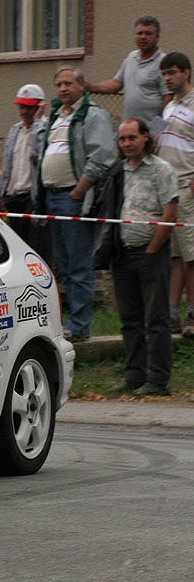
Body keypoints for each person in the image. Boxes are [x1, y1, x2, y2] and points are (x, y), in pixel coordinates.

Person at [36, 64, 117, 343]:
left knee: (79, 265)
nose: (63, 89)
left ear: (82, 86)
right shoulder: (56, 116)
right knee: (63, 264)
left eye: (68, 83)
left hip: (73, 199)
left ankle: (80, 326)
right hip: (52, 197)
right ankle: (68, 323)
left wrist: (80, 190)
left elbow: (103, 157)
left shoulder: (93, 115)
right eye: (59, 84)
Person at [110, 117, 178, 396]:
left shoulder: (161, 170)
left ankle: (158, 379)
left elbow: (170, 213)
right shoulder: (118, 171)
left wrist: (152, 251)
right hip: (123, 254)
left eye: (132, 138)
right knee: (130, 319)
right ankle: (134, 375)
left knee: (156, 319)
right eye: (122, 139)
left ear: (146, 137)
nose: (127, 143)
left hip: (152, 253)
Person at [157, 52, 194, 338]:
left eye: (172, 72)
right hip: (167, 189)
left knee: (191, 256)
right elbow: (157, 139)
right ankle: (171, 313)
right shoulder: (168, 106)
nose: (167, 78)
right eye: (164, 74)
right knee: (175, 257)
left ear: (186, 73)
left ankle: (192, 313)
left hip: (187, 185)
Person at [0, 84, 51, 260]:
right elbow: (7, 162)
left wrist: (37, 124)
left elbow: (38, 153)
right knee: (18, 250)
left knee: (36, 248)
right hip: (13, 196)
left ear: (39, 106)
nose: (23, 111)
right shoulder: (15, 130)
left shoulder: (45, 128)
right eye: (21, 106)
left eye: (28, 107)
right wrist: (3, 192)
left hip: (31, 196)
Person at [86, 15, 170, 123]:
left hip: (150, 128)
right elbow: (116, 83)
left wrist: (158, 127)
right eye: (139, 33)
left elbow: (168, 98)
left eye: (148, 33)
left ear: (157, 37)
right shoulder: (131, 57)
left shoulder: (164, 62)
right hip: (130, 127)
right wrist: (90, 86)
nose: (143, 37)